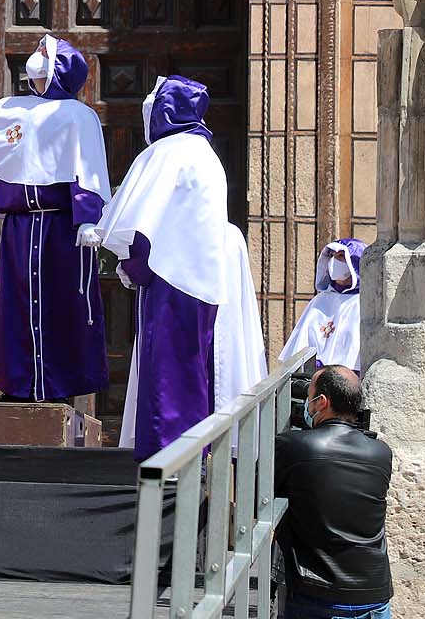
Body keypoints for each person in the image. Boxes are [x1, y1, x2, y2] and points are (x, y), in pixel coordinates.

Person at [95, 74, 265, 460]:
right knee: (192, 375)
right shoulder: (206, 155)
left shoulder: (167, 152)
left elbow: (139, 225)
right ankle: (194, 462)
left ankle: (164, 464)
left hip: (170, 285)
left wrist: (129, 262)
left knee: (166, 379)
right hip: (201, 287)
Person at [0, 34, 110, 403]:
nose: (35, 57)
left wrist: (89, 216)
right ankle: (19, 385)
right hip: (20, 230)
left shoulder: (78, 116)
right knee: (17, 306)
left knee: (61, 306)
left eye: (43, 52)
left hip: (62, 231)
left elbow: (86, 169)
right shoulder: (11, 109)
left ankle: (60, 388)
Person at [274, 366, 394, 619]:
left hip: (318, 598)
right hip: (374, 596)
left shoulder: (294, 447)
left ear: (322, 402)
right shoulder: (381, 453)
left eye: (309, 398)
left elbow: (256, 497)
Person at [281, 238, 366, 371]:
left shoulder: (363, 303)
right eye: (332, 256)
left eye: (340, 256)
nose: (334, 261)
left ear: (355, 262)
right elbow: (300, 344)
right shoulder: (320, 300)